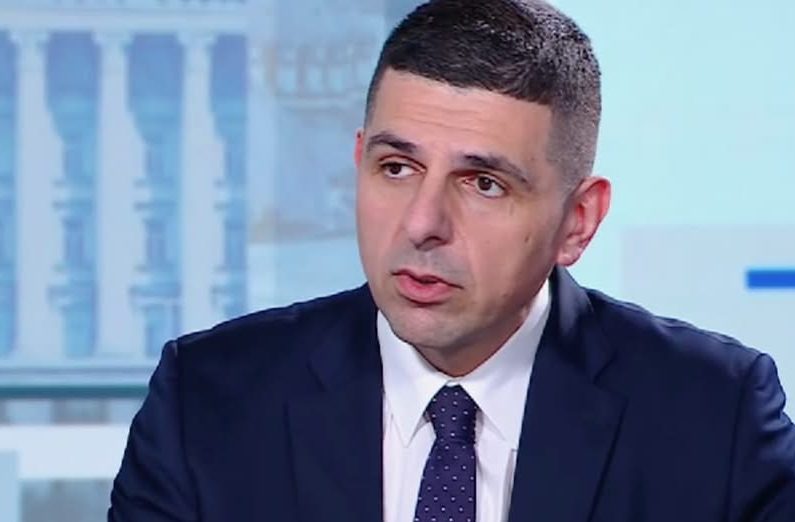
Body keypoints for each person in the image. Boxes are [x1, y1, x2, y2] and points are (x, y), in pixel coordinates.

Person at [108, 1, 795, 520]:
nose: (422, 224)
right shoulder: (208, 402)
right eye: (396, 167)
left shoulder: (715, 417)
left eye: (483, 183)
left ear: (577, 222)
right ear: (358, 160)